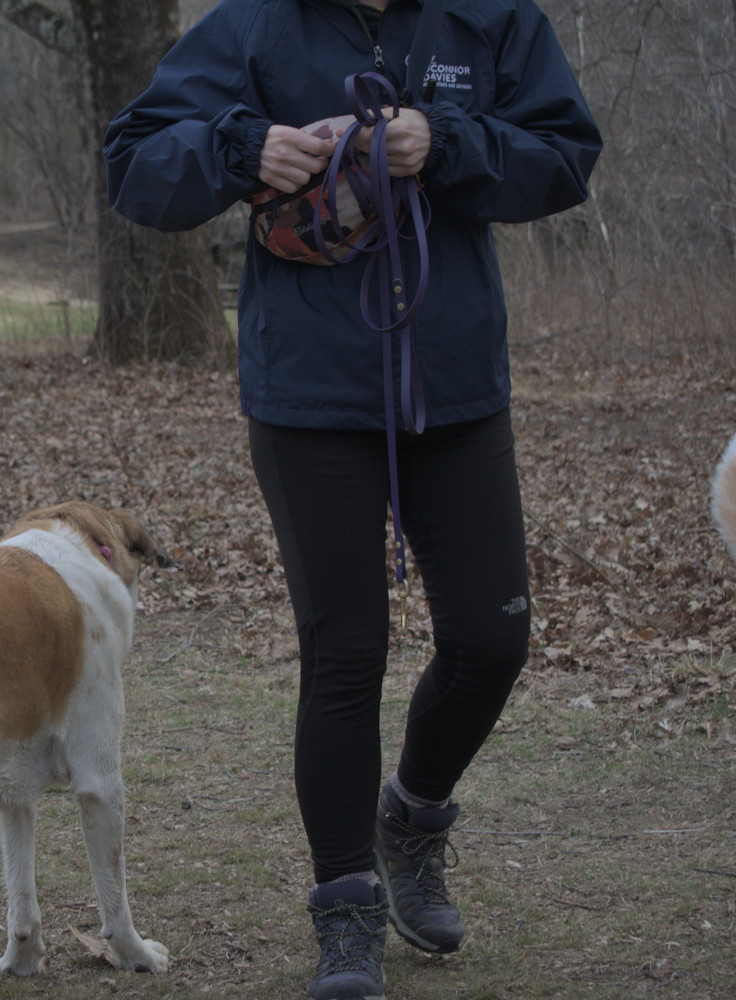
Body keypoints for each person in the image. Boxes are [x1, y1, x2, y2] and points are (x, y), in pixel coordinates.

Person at [102, 1, 601, 997]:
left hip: (454, 389)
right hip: (309, 396)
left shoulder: (488, 18)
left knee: (492, 641)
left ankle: (410, 818)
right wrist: (243, 148)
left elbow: (564, 155)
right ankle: (345, 906)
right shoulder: (253, 26)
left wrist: (446, 141)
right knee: (346, 651)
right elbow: (135, 163)